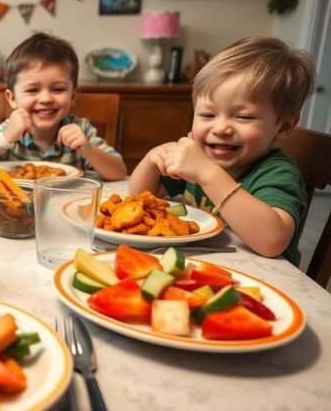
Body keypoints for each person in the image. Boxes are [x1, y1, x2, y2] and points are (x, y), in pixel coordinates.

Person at [129, 36, 315, 266]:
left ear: (284, 126)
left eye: (243, 117)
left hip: (263, 283)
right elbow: (139, 197)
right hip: (202, 268)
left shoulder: (277, 172)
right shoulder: (200, 157)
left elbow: (272, 241)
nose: (221, 128)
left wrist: (208, 174)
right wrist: (151, 158)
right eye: (208, 115)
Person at [0, 32, 126, 180]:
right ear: (12, 98)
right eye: (32, 90)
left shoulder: (81, 130)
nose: (46, 98)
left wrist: (88, 151)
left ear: (73, 95)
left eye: (58, 89)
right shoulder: (9, 129)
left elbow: (119, 173)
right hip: (15, 207)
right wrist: (4, 139)